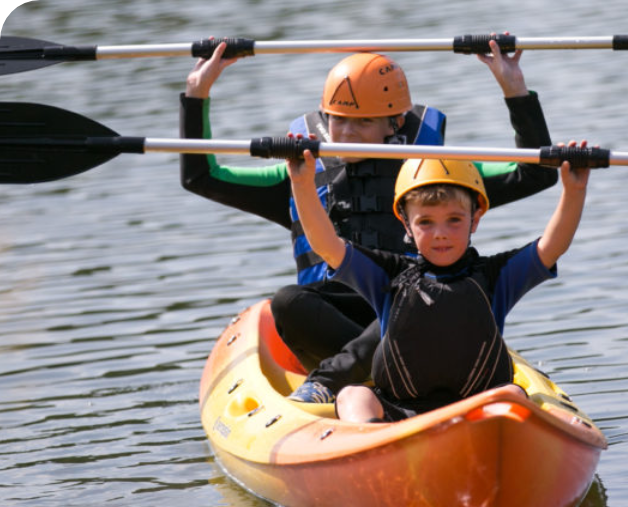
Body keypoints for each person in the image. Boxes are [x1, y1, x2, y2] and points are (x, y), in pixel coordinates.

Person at [180, 38, 558, 403]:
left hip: (421, 305)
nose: (345, 134)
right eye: (337, 120)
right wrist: (198, 92)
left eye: (361, 123)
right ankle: (376, 369)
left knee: (407, 301)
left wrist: (515, 88)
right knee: (287, 303)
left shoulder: (436, 175)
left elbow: (536, 173)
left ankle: (374, 368)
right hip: (341, 316)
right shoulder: (299, 176)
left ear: (394, 123)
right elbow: (200, 177)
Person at [286, 149, 590, 422]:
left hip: (479, 410)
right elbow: (328, 246)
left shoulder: (498, 276)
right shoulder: (387, 274)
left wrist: (574, 190)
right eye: (426, 222)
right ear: (406, 224)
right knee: (353, 396)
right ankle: (376, 450)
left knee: (512, 393)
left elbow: (551, 247)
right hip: (399, 417)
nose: (440, 234)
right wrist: (302, 184)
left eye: (454, 220)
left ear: (475, 219)